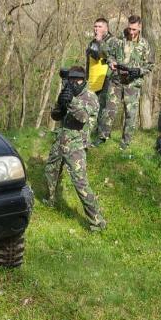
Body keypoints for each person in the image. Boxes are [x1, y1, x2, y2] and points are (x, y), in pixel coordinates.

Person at [43, 65, 106, 231]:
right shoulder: (67, 92)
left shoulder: (91, 97)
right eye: (71, 79)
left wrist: (71, 101)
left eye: (77, 80)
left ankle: (97, 221)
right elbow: (55, 115)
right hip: (61, 139)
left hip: (77, 144)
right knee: (50, 170)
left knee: (80, 183)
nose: (73, 83)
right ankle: (50, 200)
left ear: (83, 80)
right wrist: (61, 102)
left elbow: (83, 117)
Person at [94, 15, 154, 150]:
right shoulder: (118, 40)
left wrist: (138, 71)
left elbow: (150, 65)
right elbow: (108, 54)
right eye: (129, 29)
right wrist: (111, 62)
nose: (131, 32)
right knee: (109, 110)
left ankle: (125, 142)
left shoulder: (145, 45)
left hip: (132, 84)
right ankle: (102, 137)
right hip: (116, 81)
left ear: (140, 27)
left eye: (134, 29)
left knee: (130, 114)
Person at [85, 17, 114, 108]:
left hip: (106, 83)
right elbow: (90, 61)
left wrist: (99, 41)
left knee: (102, 113)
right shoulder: (92, 42)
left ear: (106, 28)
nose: (96, 29)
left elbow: (107, 56)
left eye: (100, 26)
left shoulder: (112, 41)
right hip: (92, 83)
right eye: (95, 26)